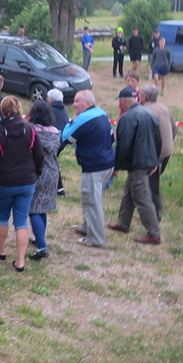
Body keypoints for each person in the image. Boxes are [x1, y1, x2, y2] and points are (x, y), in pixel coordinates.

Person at [0, 96, 44, 273]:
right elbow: (39, 156)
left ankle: (1, 250)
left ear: (2, 111)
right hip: (26, 181)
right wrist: (36, 173)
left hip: (3, 181)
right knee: (21, 221)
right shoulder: (30, 130)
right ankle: (21, 260)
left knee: (2, 217)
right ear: (19, 109)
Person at [107, 86, 162, 244]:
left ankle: (154, 232)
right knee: (128, 193)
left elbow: (123, 145)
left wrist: (116, 166)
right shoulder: (150, 114)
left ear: (124, 100)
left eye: (121, 101)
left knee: (142, 197)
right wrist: (155, 161)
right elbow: (158, 139)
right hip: (147, 161)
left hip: (137, 163)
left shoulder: (127, 118)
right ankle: (123, 223)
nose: (121, 104)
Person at [61, 90, 115, 247]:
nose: (74, 104)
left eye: (78, 101)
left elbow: (66, 138)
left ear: (88, 103)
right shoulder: (102, 114)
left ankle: (96, 239)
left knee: (92, 200)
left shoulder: (83, 118)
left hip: (94, 167)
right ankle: (87, 227)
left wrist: (71, 121)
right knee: (88, 197)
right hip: (107, 163)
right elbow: (112, 138)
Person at [137, 84, 177, 221]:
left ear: (145, 97)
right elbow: (174, 129)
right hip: (167, 150)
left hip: (155, 153)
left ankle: (155, 214)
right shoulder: (164, 108)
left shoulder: (145, 111)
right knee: (151, 182)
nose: (139, 95)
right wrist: (168, 143)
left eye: (140, 93)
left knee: (151, 184)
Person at [26, 101, 60, 261]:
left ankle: (41, 245)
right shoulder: (55, 132)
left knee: (33, 209)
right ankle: (40, 238)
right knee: (43, 208)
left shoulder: (32, 131)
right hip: (52, 172)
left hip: (37, 173)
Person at [46, 88, 69, 195]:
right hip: (62, 140)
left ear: (51, 99)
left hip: (52, 140)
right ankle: (59, 189)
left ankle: (58, 188)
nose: (46, 99)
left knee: (50, 162)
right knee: (52, 161)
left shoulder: (49, 109)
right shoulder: (63, 109)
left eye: (48, 97)